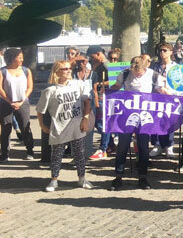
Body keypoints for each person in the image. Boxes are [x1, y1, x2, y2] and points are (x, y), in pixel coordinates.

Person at [36, 61, 93, 191]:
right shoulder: (50, 90)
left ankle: (82, 178)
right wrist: (41, 124)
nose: (68, 70)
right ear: (57, 72)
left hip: (76, 125)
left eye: (69, 68)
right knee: (57, 155)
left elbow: (87, 102)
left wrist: (85, 119)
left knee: (80, 153)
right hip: (59, 126)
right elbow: (40, 110)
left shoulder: (78, 85)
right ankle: (54, 180)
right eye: (64, 69)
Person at [109, 56, 158, 190]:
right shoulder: (125, 73)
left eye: (139, 73)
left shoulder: (153, 75)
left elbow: (161, 90)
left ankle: (142, 177)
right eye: (135, 72)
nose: (136, 75)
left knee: (143, 146)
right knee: (122, 146)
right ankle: (118, 176)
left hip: (145, 115)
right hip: (127, 115)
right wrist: (107, 91)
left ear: (145, 68)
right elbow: (117, 86)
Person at [0, 48, 34, 161]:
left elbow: (30, 87)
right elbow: (0, 88)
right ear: (11, 58)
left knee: (25, 127)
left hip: (23, 102)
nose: (21, 59)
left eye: (22, 57)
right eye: (19, 57)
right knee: (6, 128)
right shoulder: (3, 71)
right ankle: (4, 153)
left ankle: (30, 151)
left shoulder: (26, 70)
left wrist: (22, 100)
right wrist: (10, 101)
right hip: (6, 103)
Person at [149, 43, 177, 158]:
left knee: (169, 121)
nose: (162, 53)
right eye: (160, 50)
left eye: (165, 50)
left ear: (171, 52)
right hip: (156, 97)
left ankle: (169, 145)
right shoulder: (155, 66)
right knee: (156, 120)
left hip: (170, 97)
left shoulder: (176, 66)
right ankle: (157, 144)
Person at [87, 45, 112, 160]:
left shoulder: (106, 65)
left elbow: (115, 79)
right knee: (99, 122)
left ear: (98, 54)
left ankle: (104, 148)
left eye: (92, 56)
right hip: (99, 96)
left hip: (103, 97)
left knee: (101, 122)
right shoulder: (97, 64)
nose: (90, 59)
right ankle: (109, 144)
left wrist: (100, 84)